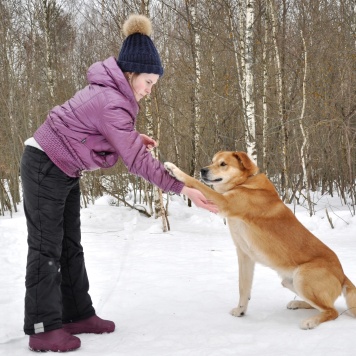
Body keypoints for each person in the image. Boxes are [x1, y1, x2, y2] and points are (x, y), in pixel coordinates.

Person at [20, 14, 217, 352]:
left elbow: (90, 131)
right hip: (44, 166)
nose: (150, 91)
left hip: (61, 167)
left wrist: (130, 137)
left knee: (70, 246)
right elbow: (138, 162)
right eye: (149, 82)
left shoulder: (112, 97)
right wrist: (185, 189)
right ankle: (42, 328)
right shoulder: (112, 101)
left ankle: (77, 314)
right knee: (46, 248)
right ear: (130, 74)